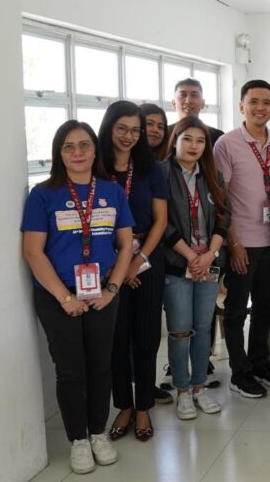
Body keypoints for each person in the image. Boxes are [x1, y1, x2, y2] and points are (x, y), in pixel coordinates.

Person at [22, 120, 133, 475]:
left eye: (84, 145)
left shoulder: (112, 191)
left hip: (102, 293)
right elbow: (33, 252)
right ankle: (78, 441)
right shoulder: (42, 194)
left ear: (95, 150)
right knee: (70, 371)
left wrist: (111, 289)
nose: (78, 152)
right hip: (58, 297)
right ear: (58, 153)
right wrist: (65, 297)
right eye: (68, 146)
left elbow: (126, 243)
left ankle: (99, 432)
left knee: (101, 366)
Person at [99, 102, 168, 443]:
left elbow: (161, 221)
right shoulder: (96, 167)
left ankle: (143, 407)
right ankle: (123, 405)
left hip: (145, 261)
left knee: (145, 338)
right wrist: (118, 267)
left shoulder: (150, 168)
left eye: (135, 130)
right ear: (110, 127)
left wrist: (138, 262)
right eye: (122, 128)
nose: (129, 136)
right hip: (106, 264)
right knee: (116, 340)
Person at [214, 79, 270, 398]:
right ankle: (239, 371)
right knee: (235, 309)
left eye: (266, 102)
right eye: (253, 101)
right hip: (241, 242)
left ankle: (260, 361)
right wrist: (233, 243)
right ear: (241, 105)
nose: (260, 107)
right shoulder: (227, 144)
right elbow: (220, 199)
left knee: (265, 306)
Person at [160, 117, 228, 420]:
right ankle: (182, 390)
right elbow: (161, 224)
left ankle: (200, 386)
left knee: (203, 328)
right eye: (187, 139)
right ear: (175, 139)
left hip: (208, 264)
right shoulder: (161, 174)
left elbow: (223, 218)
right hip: (177, 264)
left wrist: (210, 254)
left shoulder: (213, 175)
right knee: (180, 330)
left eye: (200, 141)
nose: (193, 146)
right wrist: (191, 256)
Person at [166, 78, 224, 145]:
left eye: (194, 95)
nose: (188, 101)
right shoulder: (164, 134)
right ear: (173, 103)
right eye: (182, 95)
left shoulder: (218, 137)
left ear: (203, 103)